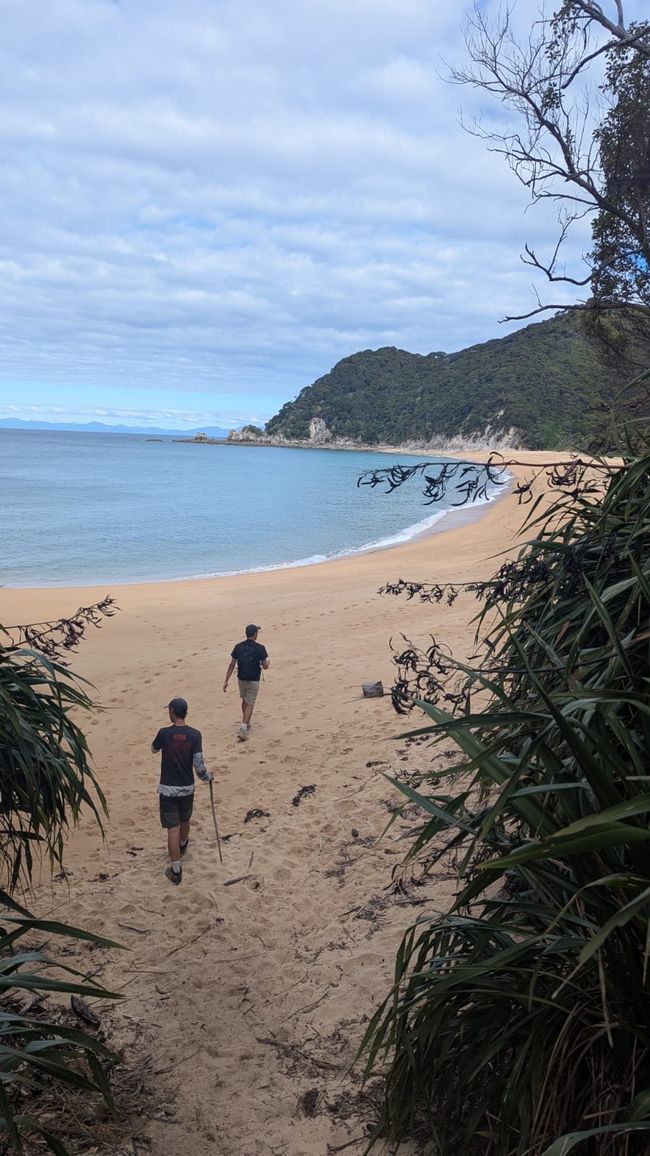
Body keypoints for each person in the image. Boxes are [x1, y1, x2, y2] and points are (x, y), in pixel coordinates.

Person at [151, 697, 213, 885]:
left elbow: (153, 749)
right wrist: (206, 777)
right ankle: (183, 844)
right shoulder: (195, 735)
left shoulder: (164, 733)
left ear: (172, 711)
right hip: (187, 787)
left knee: (172, 828)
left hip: (168, 789)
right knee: (185, 819)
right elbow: (199, 764)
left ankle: (176, 869)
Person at [223, 623, 270, 741]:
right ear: (255, 634)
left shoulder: (238, 647)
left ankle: (246, 722)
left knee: (244, 700)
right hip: (254, 680)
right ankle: (243, 728)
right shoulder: (260, 648)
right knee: (250, 704)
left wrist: (226, 680)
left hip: (241, 679)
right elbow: (265, 666)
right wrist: (268, 662)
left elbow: (232, 664)